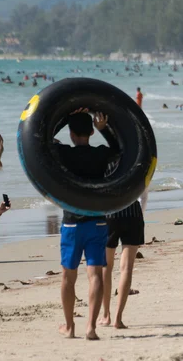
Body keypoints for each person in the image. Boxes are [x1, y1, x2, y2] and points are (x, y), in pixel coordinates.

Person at [53, 110, 120, 340]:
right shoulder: (101, 154)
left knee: (67, 278)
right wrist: (104, 129)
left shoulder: (62, 153)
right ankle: (90, 327)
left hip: (72, 223)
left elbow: (41, 139)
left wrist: (63, 117)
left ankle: (70, 326)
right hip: (98, 221)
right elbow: (120, 148)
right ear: (91, 131)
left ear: (71, 134)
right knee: (95, 275)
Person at [99, 200, 144, 329]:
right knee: (126, 269)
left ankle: (106, 315)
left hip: (109, 214)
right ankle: (118, 318)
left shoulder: (105, 177)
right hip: (133, 214)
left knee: (106, 266)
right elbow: (143, 192)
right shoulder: (134, 177)